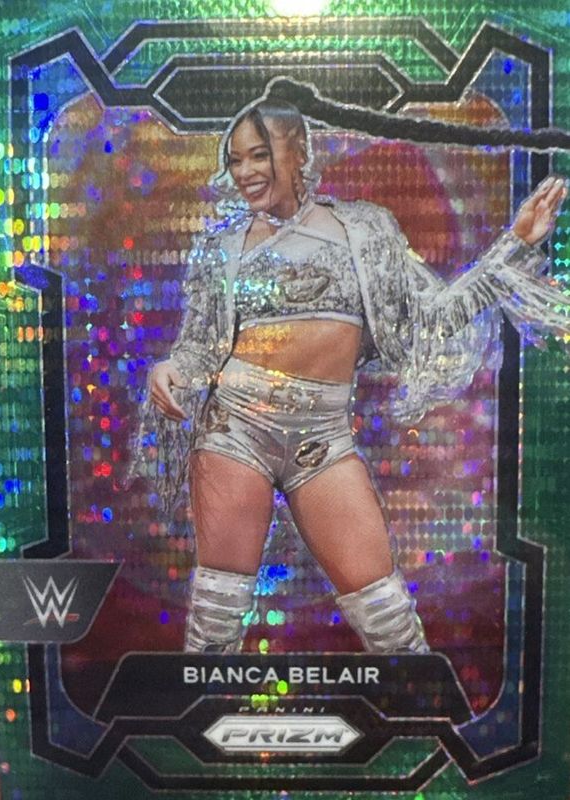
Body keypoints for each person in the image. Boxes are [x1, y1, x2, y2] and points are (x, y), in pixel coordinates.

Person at [137, 98, 569, 655]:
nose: (245, 172)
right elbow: (198, 349)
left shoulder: (364, 229)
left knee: (391, 623)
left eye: (259, 155)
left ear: (297, 152)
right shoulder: (221, 246)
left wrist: (516, 243)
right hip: (233, 431)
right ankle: (204, 712)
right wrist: (170, 369)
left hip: (323, 440)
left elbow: (432, 321)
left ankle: (417, 710)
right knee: (215, 625)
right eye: (236, 160)